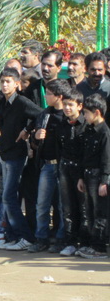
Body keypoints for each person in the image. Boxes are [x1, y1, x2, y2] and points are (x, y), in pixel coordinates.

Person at [0, 68, 42, 251]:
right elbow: (1, 121)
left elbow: (42, 114)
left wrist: (27, 129)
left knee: (8, 197)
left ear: (16, 84)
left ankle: (26, 237)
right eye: (2, 81)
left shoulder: (21, 101)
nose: (5, 85)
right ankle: (13, 236)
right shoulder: (1, 99)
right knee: (8, 197)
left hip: (17, 155)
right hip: (5, 152)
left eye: (8, 81)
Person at [29, 79, 69, 253]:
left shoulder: (68, 117)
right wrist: (35, 136)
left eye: (49, 94)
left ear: (59, 96)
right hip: (46, 165)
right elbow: (34, 140)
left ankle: (61, 239)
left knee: (62, 206)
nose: (46, 97)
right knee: (42, 205)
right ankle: (41, 238)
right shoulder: (45, 114)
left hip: (64, 167)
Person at [76, 94, 110, 259]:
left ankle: (99, 247)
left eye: (86, 113)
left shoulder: (105, 132)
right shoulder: (88, 130)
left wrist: (104, 181)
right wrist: (81, 177)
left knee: (99, 212)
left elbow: (106, 159)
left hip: (98, 176)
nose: (84, 116)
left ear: (97, 112)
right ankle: (91, 243)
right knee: (89, 210)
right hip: (88, 174)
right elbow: (84, 156)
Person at [56, 89, 87, 256]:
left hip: (82, 172)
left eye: (70, 105)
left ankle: (85, 243)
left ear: (79, 106)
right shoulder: (62, 124)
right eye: (65, 105)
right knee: (67, 208)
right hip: (65, 168)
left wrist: (82, 175)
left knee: (84, 208)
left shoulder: (87, 125)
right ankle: (70, 242)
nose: (67, 108)